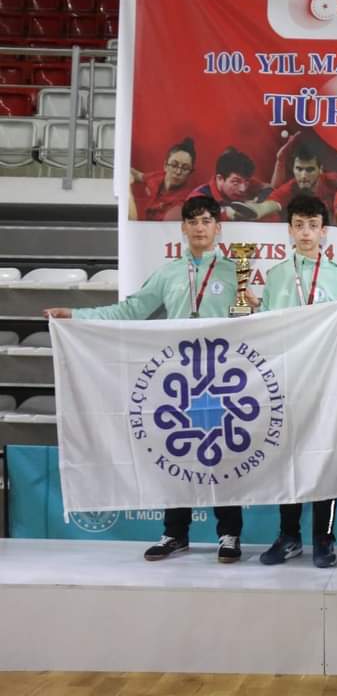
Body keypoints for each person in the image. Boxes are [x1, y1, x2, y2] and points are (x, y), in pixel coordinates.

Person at [43, 196, 244, 563]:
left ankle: (229, 534)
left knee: (223, 454)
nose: (200, 227)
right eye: (193, 221)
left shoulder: (236, 273)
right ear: (183, 228)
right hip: (179, 380)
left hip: (220, 378)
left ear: (218, 227)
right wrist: (77, 315)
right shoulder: (168, 273)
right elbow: (132, 309)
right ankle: (175, 533)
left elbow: (257, 323)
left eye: (206, 221)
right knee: (178, 452)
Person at [243, 194, 337, 568]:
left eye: (313, 226)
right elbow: (268, 330)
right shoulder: (277, 276)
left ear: (324, 231)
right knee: (288, 460)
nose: (306, 232)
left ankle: (324, 539)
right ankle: (289, 536)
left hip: (325, 385)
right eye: (299, 225)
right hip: (286, 383)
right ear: (289, 230)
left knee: (324, 459)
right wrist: (255, 310)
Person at [242, 144, 337, 222]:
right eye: (299, 169)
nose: (303, 176)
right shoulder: (290, 188)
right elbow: (270, 204)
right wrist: (255, 209)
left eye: (309, 170)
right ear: (293, 169)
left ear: (320, 169)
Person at [188, 147, 268, 221]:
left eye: (247, 182)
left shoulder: (247, 182)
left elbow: (269, 189)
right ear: (220, 179)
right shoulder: (197, 196)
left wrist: (260, 202)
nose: (243, 189)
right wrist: (225, 213)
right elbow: (193, 215)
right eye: (236, 182)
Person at [129, 136, 196, 221]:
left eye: (185, 168)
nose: (178, 172)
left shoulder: (183, 202)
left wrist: (128, 189)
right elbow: (139, 175)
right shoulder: (159, 176)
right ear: (165, 166)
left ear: (190, 173)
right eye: (174, 165)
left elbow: (132, 219)